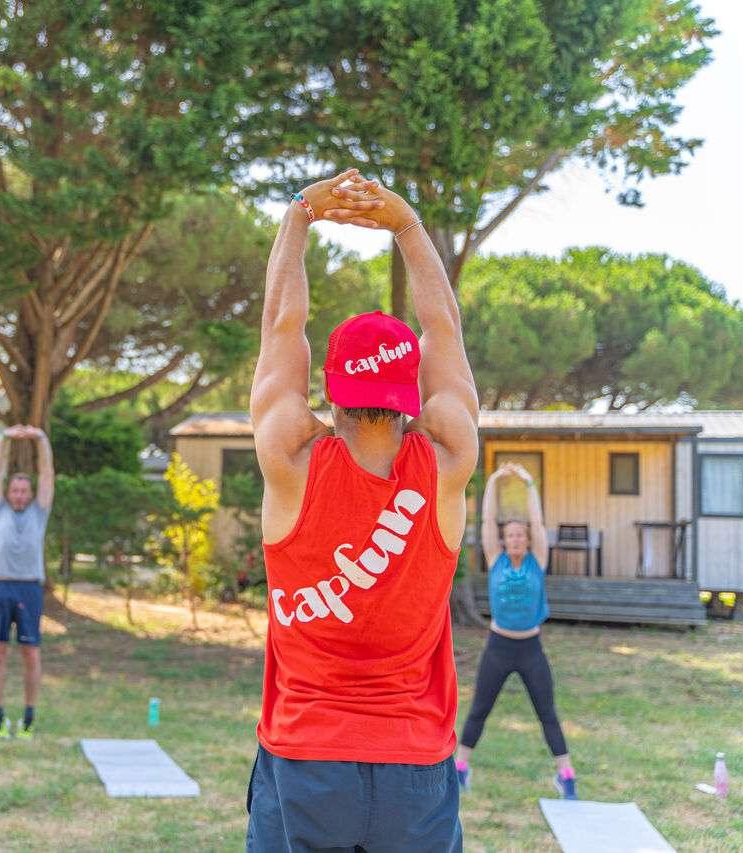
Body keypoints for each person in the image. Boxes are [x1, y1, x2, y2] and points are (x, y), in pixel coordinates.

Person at [246, 170, 479, 852]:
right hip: (416, 767)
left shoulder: (289, 460)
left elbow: (279, 322)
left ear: (333, 389)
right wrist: (407, 225)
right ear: (411, 390)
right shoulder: (446, 464)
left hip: (305, 757)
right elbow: (443, 327)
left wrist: (300, 215)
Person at [456, 462, 579, 800]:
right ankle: (461, 770)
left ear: (526, 540)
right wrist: (494, 480)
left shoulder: (536, 561)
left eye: (519, 535)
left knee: (547, 714)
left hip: (530, 649)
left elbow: (537, 521)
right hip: (497, 647)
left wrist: (528, 485)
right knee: (479, 709)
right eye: (509, 534)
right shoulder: (494, 558)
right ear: (503, 540)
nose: (514, 539)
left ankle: (566, 777)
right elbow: (486, 521)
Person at [0, 424, 54, 741]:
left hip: (28, 587)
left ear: (31, 494)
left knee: (31, 654)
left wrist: (40, 438)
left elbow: (47, 473)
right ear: (8, 493)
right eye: (15, 490)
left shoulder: (39, 512)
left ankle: (28, 717)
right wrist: (3, 437)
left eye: (25, 490)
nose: (20, 495)